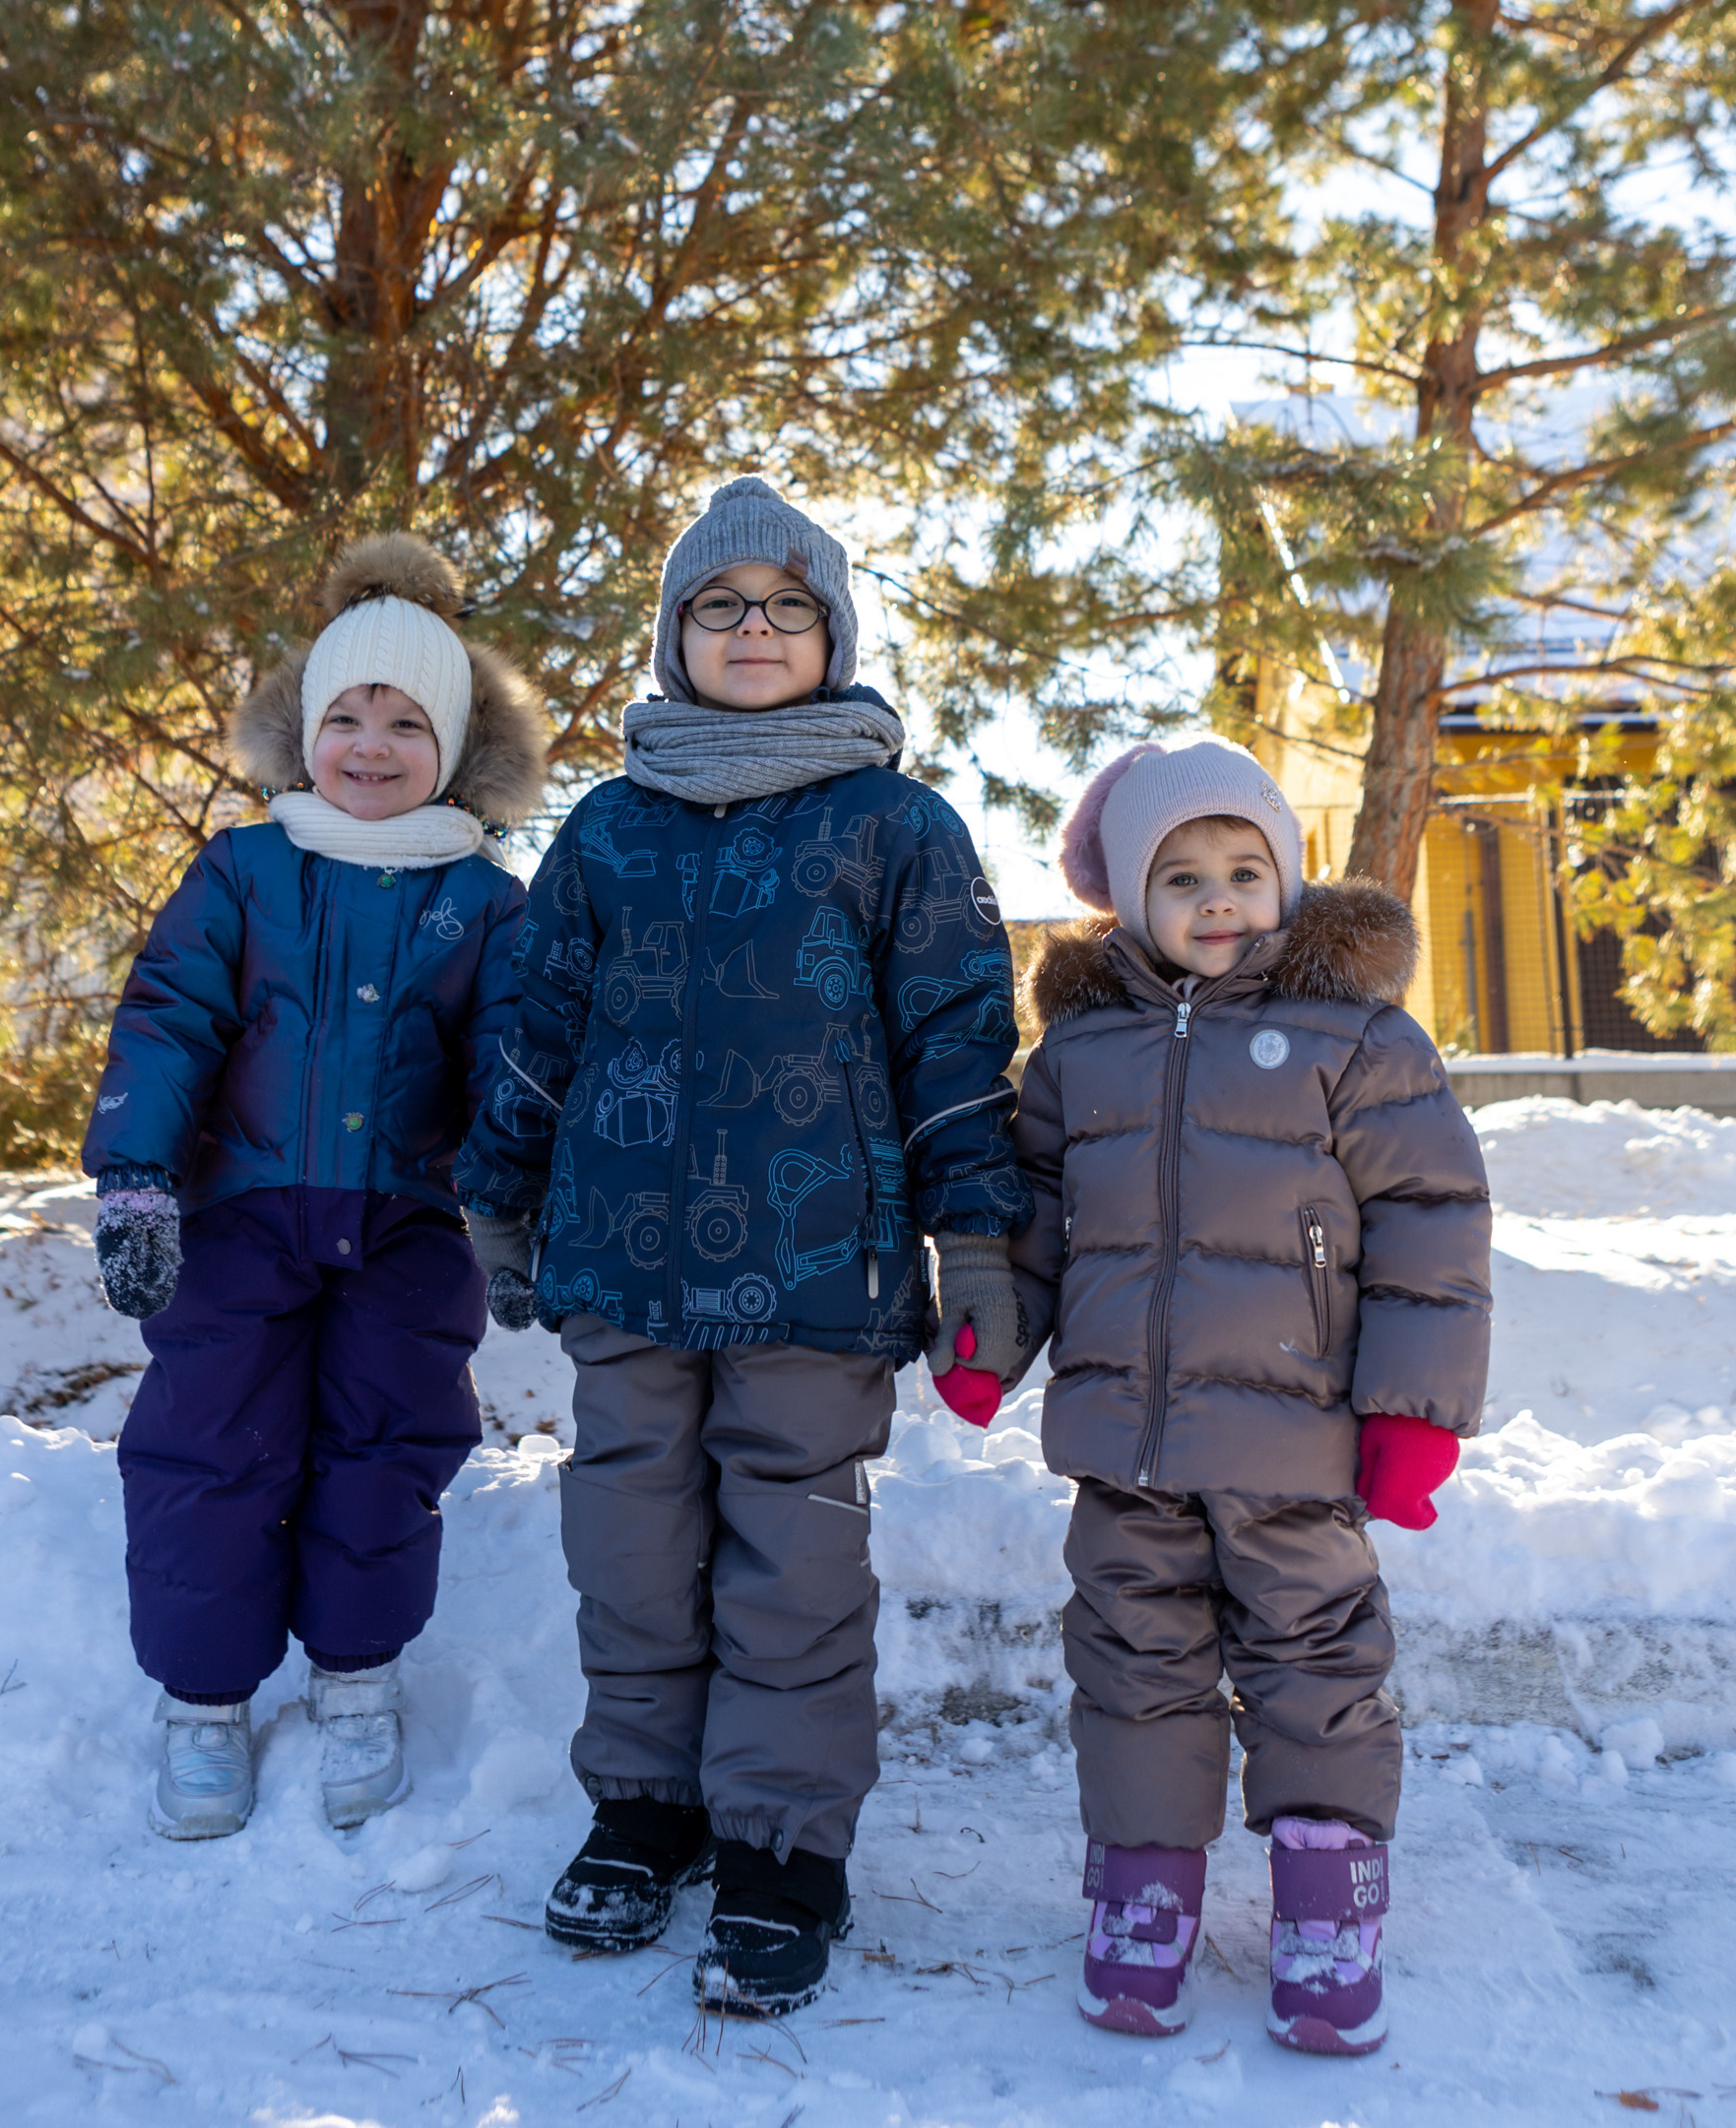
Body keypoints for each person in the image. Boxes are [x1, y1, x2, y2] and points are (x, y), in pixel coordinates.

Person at [455, 475, 1034, 2015]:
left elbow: (960, 1047)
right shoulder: (610, 828)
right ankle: (646, 1811)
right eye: (722, 605)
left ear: (832, 635)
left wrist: (976, 1247)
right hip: (621, 1256)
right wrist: (499, 1197)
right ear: (675, 639)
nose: (755, 627)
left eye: (787, 604)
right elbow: (539, 1028)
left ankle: (782, 1845)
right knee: (630, 1545)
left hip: (819, 1265)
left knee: (792, 1560)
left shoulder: (896, 826)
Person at [1011, 734, 1491, 2058]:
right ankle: (1146, 1896)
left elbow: (1432, 1222)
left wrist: (1411, 1411)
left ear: (1286, 880)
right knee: (1133, 1665)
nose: (1216, 897)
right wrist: (990, 1336)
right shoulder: (1079, 1055)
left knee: (1317, 1666)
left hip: (1298, 1437)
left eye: (1242, 867)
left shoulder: (1359, 1041)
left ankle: (1328, 1908)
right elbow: (1026, 1228)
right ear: (1126, 900)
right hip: (1125, 1441)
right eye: (1179, 877)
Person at [84, 537, 546, 1841]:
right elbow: (169, 1018)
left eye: (408, 721)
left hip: (409, 1229)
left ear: (452, 748)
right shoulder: (245, 872)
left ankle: (357, 1677)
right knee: (208, 1444)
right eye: (346, 715)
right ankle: (204, 1697)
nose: (373, 744)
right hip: (240, 1220)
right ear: (305, 732)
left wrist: (513, 1207)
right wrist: (135, 1178)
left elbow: (510, 1067)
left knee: (386, 1445)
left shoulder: (481, 902)